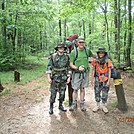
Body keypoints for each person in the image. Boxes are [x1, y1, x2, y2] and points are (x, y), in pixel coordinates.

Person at [69, 36, 94, 112]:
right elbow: (71, 64)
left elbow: (93, 56)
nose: (81, 44)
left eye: (82, 42)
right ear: (77, 43)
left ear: (84, 43)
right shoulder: (74, 52)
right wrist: (77, 68)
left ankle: (82, 103)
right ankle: (74, 103)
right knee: (75, 89)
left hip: (85, 73)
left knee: (82, 89)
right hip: (76, 74)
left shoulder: (87, 51)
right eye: (80, 42)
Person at [46, 43, 71, 114]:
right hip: (54, 77)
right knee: (53, 93)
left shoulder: (66, 57)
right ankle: (51, 107)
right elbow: (49, 67)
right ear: (57, 49)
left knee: (62, 93)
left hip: (63, 77)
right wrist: (48, 78)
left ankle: (60, 105)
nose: (61, 49)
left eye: (62, 48)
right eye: (60, 48)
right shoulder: (53, 56)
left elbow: (68, 67)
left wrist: (69, 77)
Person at [91, 47, 112, 114]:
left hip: (105, 78)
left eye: (102, 53)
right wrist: (92, 79)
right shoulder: (95, 60)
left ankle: (103, 105)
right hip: (97, 77)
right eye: (100, 52)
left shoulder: (108, 60)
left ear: (104, 53)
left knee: (105, 91)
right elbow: (93, 69)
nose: (101, 54)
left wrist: (109, 80)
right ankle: (97, 104)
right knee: (97, 91)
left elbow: (109, 71)